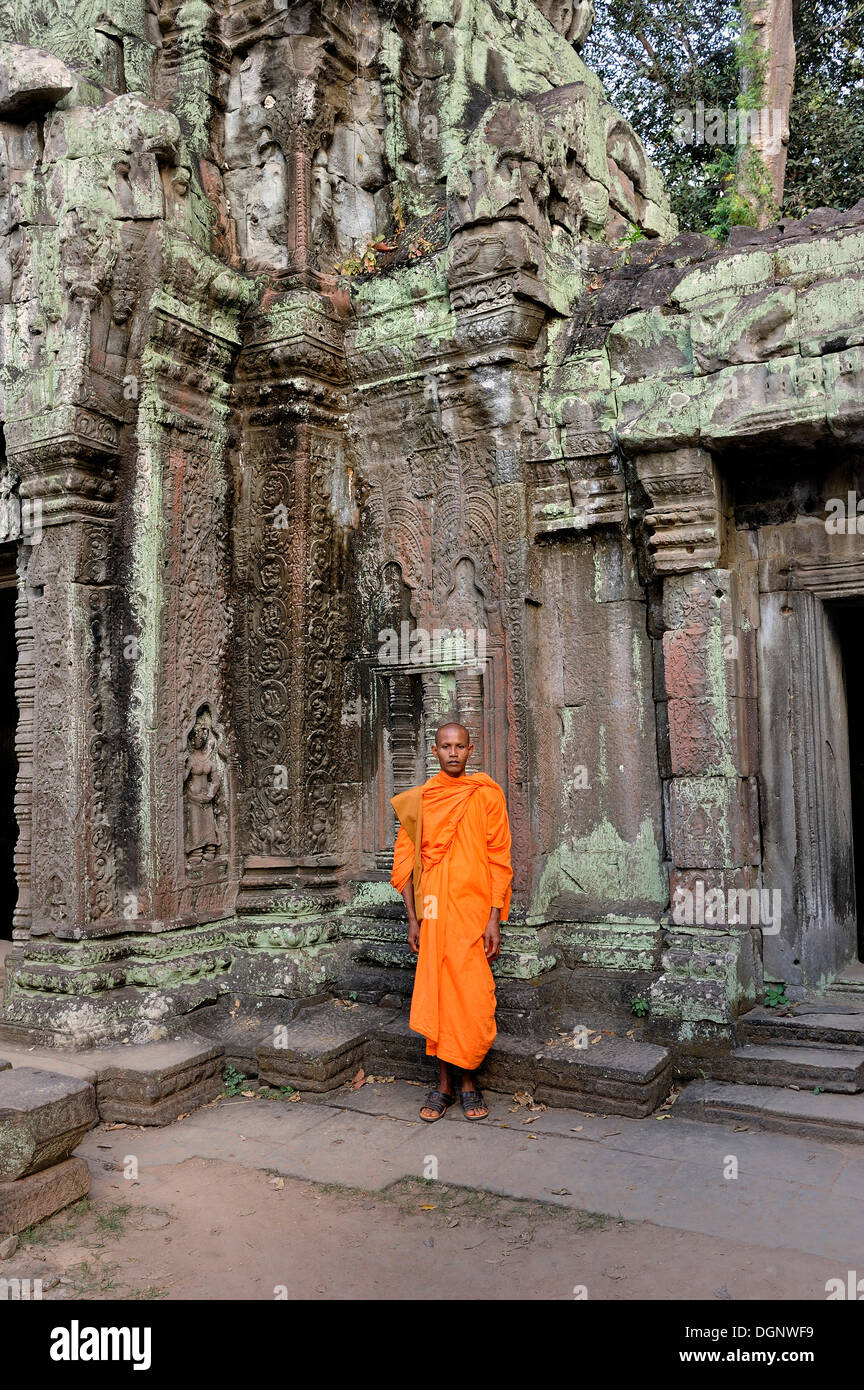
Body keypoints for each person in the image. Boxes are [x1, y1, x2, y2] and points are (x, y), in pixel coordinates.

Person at [390, 723, 513, 1121]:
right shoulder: (420, 800)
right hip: (435, 912)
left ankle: (469, 1081)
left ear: (471, 750)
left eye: (460, 746)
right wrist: (413, 919)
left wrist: (494, 916)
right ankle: (444, 1085)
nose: (454, 753)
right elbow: (405, 864)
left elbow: (498, 856)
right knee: (439, 993)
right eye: (446, 746)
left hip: (474, 911)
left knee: (473, 996)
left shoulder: (486, 795)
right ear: (434, 750)